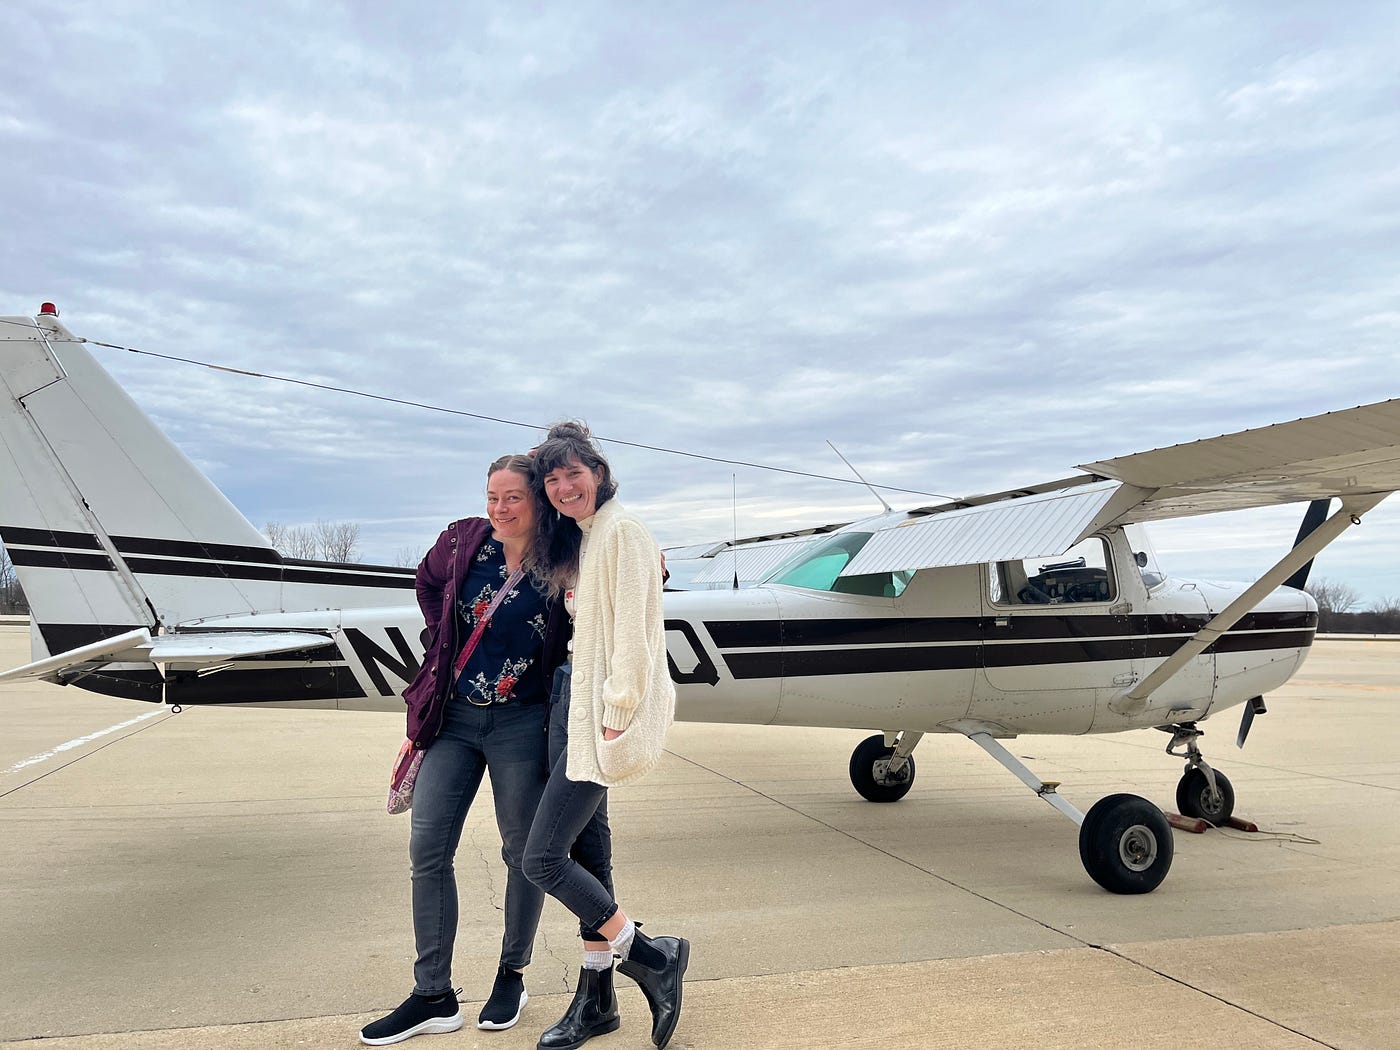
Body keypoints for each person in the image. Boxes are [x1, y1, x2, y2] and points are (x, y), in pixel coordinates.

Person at [361, 455, 569, 1046]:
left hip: (521, 724)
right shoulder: (463, 543)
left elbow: (622, 578)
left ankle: (512, 972)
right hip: (452, 719)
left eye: (513, 498)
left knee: (521, 852)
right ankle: (433, 994)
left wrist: (651, 564)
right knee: (427, 849)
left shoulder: (564, 552)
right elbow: (427, 582)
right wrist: (442, 639)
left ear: (540, 500)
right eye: (492, 496)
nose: (500, 510)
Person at [523, 421, 689, 1050]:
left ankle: (649, 955)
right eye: (553, 478)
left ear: (598, 471)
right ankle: (597, 1002)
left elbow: (638, 632)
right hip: (575, 702)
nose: (564, 487)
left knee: (541, 858)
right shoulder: (589, 538)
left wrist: (617, 708)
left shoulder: (623, 532)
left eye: (574, 473)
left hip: (597, 712)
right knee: (591, 859)